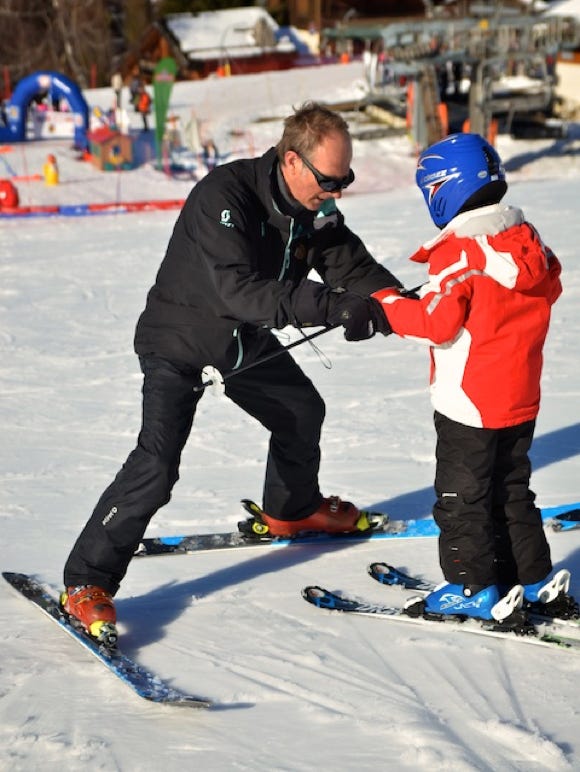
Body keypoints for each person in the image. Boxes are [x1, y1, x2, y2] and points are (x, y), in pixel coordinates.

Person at [61, 101, 400, 641]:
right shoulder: (225, 194)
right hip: (179, 337)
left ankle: (292, 510)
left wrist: (395, 301)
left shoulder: (315, 205)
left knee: (300, 411)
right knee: (158, 462)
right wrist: (331, 306)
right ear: (292, 161)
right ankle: (86, 580)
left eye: (346, 181)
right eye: (329, 181)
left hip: (240, 340)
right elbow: (240, 290)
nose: (336, 193)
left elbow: (346, 261)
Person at [371, 132, 577, 624]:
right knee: (511, 489)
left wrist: (387, 306)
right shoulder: (526, 243)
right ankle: (535, 578)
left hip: (469, 402)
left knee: (461, 498)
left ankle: (471, 586)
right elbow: (544, 285)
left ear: (444, 189)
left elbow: (436, 323)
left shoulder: (459, 253)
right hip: (520, 398)